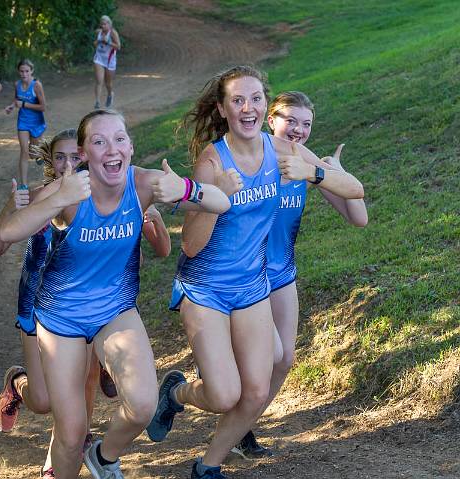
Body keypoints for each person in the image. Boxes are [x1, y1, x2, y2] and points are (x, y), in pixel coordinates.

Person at [144, 66, 364, 479]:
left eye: (256, 98)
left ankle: (206, 468)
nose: (249, 108)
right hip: (205, 287)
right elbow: (190, 244)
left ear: (266, 104)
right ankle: (175, 392)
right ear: (224, 109)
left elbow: (356, 192)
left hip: (253, 288)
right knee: (226, 394)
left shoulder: (282, 150)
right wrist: (216, 198)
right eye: (238, 100)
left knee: (258, 389)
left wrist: (315, 172)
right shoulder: (212, 161)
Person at [0, 109, 231, 479]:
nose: (111, 149)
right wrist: (56, 200)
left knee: (142, 404)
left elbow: (221, 202)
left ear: (131, 146)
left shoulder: (144, 184)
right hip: (61, 319)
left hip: (115, 309)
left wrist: (186, 189)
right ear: (85, 154)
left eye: (119, 139)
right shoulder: (71, 190)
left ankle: (103, 457)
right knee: (71, 433)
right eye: (99, 141)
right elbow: (9, 232)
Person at [0, 127, 171, 478]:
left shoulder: (107, 196)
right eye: (60, 157)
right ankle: (18, 383)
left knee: (81, 387)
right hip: (40, 309)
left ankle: (61, 458)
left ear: (86, 157)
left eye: (75, 156)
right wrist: (12, 206)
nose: (69, 163)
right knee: (43, 402)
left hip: (96, 308)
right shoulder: (42, 196)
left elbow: (143, 251)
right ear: (51, 162)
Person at [230, 91, 367, 459]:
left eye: (306, 124)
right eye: (290, 120)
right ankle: (200, 402)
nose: (298, 130)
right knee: (248, 366)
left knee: (284, 359)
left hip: (282, 272)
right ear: (270, 119)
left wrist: (335, 174)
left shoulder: (304, 161)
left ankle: (242, 428)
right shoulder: (253, 155)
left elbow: (359, 218)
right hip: (244, 276)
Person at [5, 59, 47, 186]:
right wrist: (12, 106)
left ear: (32, 71)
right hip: (23, 122)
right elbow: (17, 98)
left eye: (27, 71)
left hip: (37, 122)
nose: (24, 74)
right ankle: (23, 184)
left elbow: (43, 107)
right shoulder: (17, 84)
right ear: (18, 71)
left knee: (33, 153)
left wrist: (24, 104)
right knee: (24, 151)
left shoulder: (36, 85)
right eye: (22, 71)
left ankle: (39, 154)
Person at [92, 15, 121, 109]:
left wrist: (108, 42)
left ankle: (110, 94)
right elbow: (95, 44)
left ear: (109, 24)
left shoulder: (113, 33)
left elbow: (118, 47)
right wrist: (98, 41)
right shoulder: (98, 32)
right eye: (101, 24)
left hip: (109, 60)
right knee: (99, 81)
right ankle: (97, 102)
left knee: (108, 83)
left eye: (104, 24)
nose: (103, 26)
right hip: (99, 58)